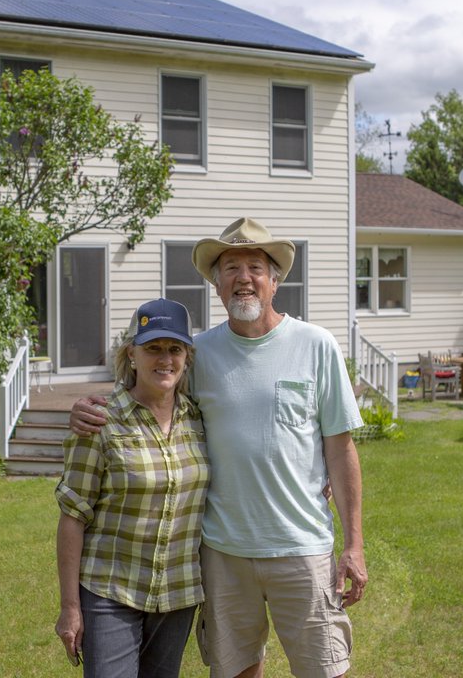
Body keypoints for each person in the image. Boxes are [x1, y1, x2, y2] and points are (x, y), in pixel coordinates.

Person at [71, 218, 366, 678]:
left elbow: (341, 451)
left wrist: (355, 545)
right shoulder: (199, 353)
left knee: (325, 670)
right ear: (216, 283)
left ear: (274, 281)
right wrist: (88, 409)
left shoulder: (316, 345)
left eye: (255, 267)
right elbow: (149, 393)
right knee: (236, 671)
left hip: (302, 546)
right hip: (223, 553)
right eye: (231, 268)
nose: (243, 278)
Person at [55, 297, 210, 678]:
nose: (165, 359)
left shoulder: (200, 419)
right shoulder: (100, 421)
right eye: (153, 348)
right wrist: (70, 607)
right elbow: (73, 516)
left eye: (174, 349)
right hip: (112, 590)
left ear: (187, 357)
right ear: (132, 354)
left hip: (177, 594)